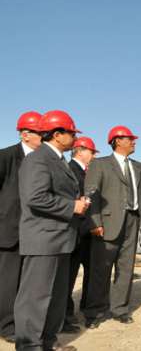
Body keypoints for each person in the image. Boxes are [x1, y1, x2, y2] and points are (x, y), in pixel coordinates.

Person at [15, 110, 87, 351]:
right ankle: (28, 346)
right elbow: (35, 198)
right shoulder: (37, 159)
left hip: (59, 239)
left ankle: (47, 342)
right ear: (57, 134)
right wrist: (72, 206)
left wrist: (78, 202)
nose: (75, 138)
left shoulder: (56, 159)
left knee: (55, 298)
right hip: (43, 239)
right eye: (71, 133)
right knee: (35, 298)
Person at [84, 126, 141, 328]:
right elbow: (91, 195)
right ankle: (94, 312)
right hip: (107, 223)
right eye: (130, 139)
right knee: (100, 270)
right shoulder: (100, 164)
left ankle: (120, 309)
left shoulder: (139, 167)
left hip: (132, 221)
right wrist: (95, 222)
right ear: (118, 141)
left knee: (126, 269)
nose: (134, 142)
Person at [0, 111, 42, 344]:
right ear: (25, 134)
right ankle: (6, 326)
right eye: (40, 132)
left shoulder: (42, 160)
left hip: (33, 232)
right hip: (9, 231)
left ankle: (22, 321)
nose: (44, 137)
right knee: (7, 281)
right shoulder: (5, 157)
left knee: (27, 283)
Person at [63, 136, 98, 333]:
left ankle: (85, 307)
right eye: (91, 152)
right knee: (69, 276)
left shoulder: (87, 171)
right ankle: (65, 314)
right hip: (76, 231)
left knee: (90, 272)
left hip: (88, 232)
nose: (93, 156)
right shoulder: (70, 170)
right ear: (80, 151)